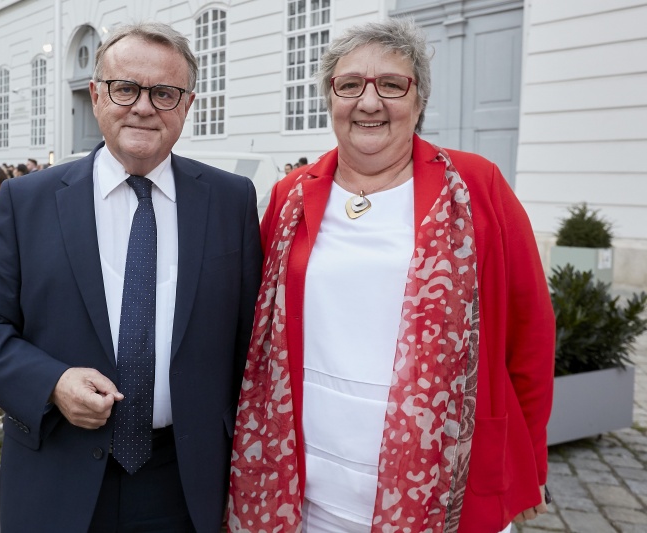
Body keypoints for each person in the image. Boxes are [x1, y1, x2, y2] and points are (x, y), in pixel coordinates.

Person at [228, 19, 554, 533]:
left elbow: (530, 329)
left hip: (444, 480)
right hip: (307, 487)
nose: (369, 102)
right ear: (330, 98)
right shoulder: (292, 194)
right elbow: (254, 327)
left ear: (418, 100)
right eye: (349, 84)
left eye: (391, 85)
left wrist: (531, 461)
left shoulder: (477, 186)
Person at [0, 21, 262, 533]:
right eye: (125, 88)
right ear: (96, 96)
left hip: (186, 483)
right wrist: (52, 383)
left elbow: (250, 342)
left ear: (187, 105)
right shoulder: (27, 202)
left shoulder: (230, 201)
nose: (143, 107)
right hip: (58, 478)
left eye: (164, 93)